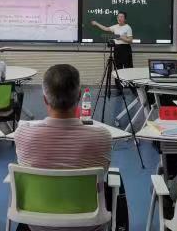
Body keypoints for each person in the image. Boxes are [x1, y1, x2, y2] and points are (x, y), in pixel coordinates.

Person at [14, 64, 112, 231]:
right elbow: (104, 173)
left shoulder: (23, 133)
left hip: (37, 225)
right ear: (79, 97)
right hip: (88, 226)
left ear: (45, 99)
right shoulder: (102, 136)